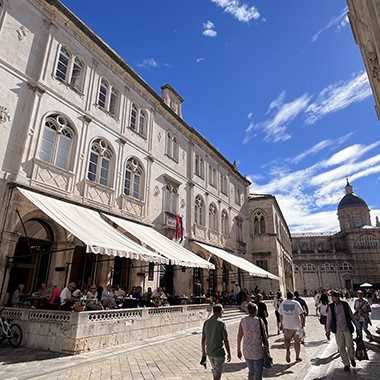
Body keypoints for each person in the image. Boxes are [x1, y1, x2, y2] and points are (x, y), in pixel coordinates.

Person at [326, 291, 356, 372]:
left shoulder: (345, 304)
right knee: (341, 347)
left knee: (350, 345)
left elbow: (351, 315)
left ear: (337, 297)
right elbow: (329, 319)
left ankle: (352, 358)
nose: (332, 298)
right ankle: (346, 364)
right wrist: (327, 331)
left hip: (346, 328)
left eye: (333, 297)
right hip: (338, 329)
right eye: (331, 297)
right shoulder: (331, 306)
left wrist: (357, 325)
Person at [237, 302, 268, 380]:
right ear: (256, 311)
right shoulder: (259, 321)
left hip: (246, 350)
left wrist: (238, 349)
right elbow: (265, 336)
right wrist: (267, 349)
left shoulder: (243, 320)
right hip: (257, 350)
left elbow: (239, 335)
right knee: (258, 373)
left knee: (251, 371)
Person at [201, 304, 231, 380]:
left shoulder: (206, 322)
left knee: (215, 372)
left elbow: (203, 339)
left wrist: (204, 353)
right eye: (222, 311)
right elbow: (226, 340)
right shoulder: (221, 323)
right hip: (218, 353)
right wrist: (229, 353)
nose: (223, 313)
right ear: (219, 311)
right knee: (218, 375)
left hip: (210, 352)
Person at [278, 291, 305, 363]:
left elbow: (280, 315)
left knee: (287, 340)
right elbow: (302, 315)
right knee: (297, 342)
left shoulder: (282, 303)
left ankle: (287, 351)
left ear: (287, 296)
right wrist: (302, 325)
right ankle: (297, 357)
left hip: (286, 326)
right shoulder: (296, 303)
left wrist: (281, 324)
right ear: (292, 296)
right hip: (296, 326)